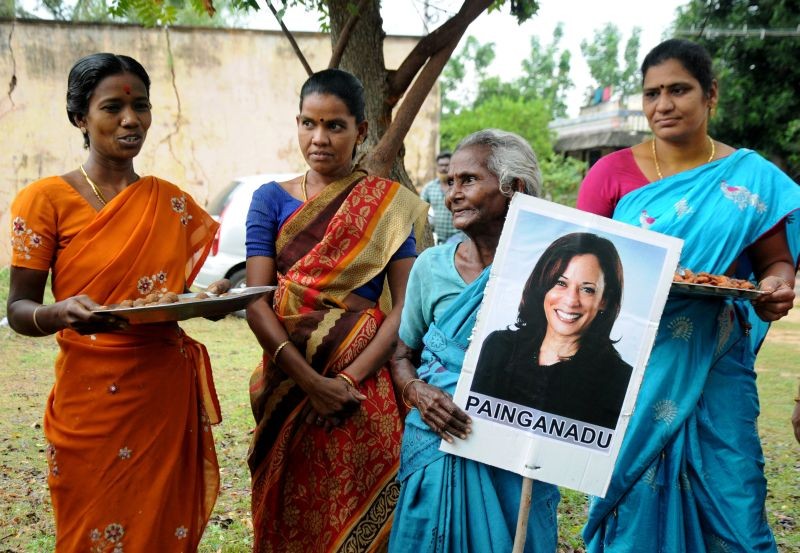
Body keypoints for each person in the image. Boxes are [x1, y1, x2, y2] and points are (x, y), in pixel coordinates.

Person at [577, 38, 800, 552]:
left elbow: (774, 260)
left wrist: (774, 286)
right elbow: (581, 262)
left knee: (736, 496)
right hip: (631, 360)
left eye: (679, 89)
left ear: (710, 94)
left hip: (719, 356)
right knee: (631, 495)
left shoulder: (748, 177)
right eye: (652, 93)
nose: (663, 105)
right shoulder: (610, 174)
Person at [6, 53, 226, 551]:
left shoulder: (169, 201)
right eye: (113, 107)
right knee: (89, 525)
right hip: (91, 399)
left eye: (141, 105)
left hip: (163, 393)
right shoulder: (45, 200)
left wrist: (208, 301)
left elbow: (170, 294)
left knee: (161, 525)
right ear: (81, 118)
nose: (131, 119)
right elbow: (19, 309)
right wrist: (58, 313)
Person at [244, 68, 427, 552]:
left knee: (358, 504)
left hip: (362, 390)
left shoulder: (387, 206)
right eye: (308, 124)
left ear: (360, 131)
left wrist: (346, 383)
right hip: (289, 380)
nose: (318, 138)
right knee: (287, 506)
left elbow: (405, 303)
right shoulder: (269, 200)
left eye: (335, 126)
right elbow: (254, 300)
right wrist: (311, 382)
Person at [389, 129, 560, 552]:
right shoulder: (431, 267)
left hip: (518, 451)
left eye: (468, 180)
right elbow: (400, 354)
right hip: (437, 444)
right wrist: (419, 392)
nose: (452, 195)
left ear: (513, 188)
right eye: (450, 182)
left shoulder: (554, 272)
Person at [471, 232, 632, 429]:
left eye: (587, 289)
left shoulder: (620, 379)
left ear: (604, 301)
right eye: (561, 283)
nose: (571, 300)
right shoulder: (499, 346)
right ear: (543, 286)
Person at [420, 151, 460, 244]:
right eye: (441, 165)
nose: (443, 168)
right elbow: (420, 210)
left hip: (459, 235)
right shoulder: (429, 187)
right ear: (437, 167)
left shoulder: (460, 186)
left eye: (447, 165)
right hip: (439, 238)